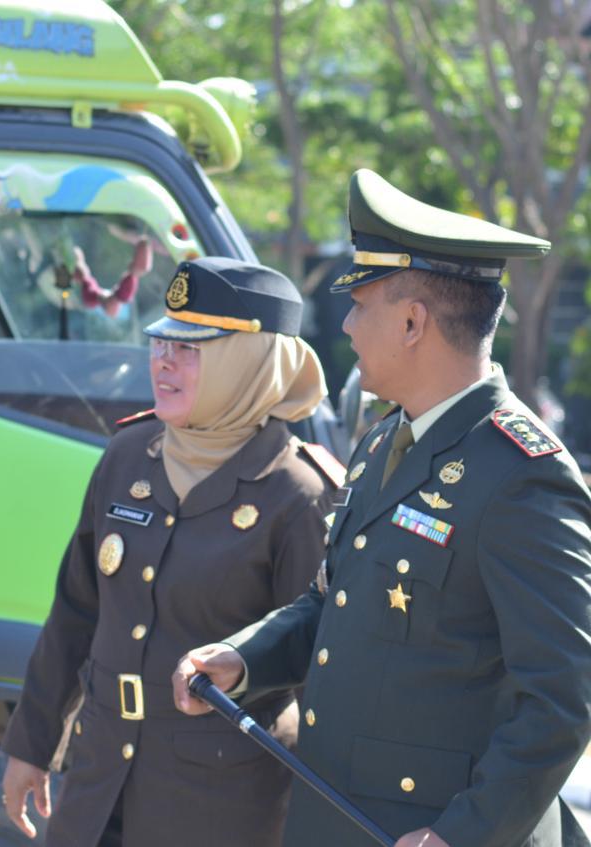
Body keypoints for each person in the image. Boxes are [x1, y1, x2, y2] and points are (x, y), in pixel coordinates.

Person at [173, 169, 591, 847]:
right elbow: (332, 601)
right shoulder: (383, 441)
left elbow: (563, 699)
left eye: (358, 303)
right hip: (338, 816)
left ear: (411, 321)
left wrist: (466, 833)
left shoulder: (521, 476)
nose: (345, 323)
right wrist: (244, 657)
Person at [0, 257, 343, 845]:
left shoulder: (302, 493)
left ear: (250, 363)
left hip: (219, 803)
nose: (163, 359)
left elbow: (321, 676)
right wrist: (31, 746)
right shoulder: (129, 454)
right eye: (162, 340)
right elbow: (76, 611)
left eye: (193, 347)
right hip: (98, 781)